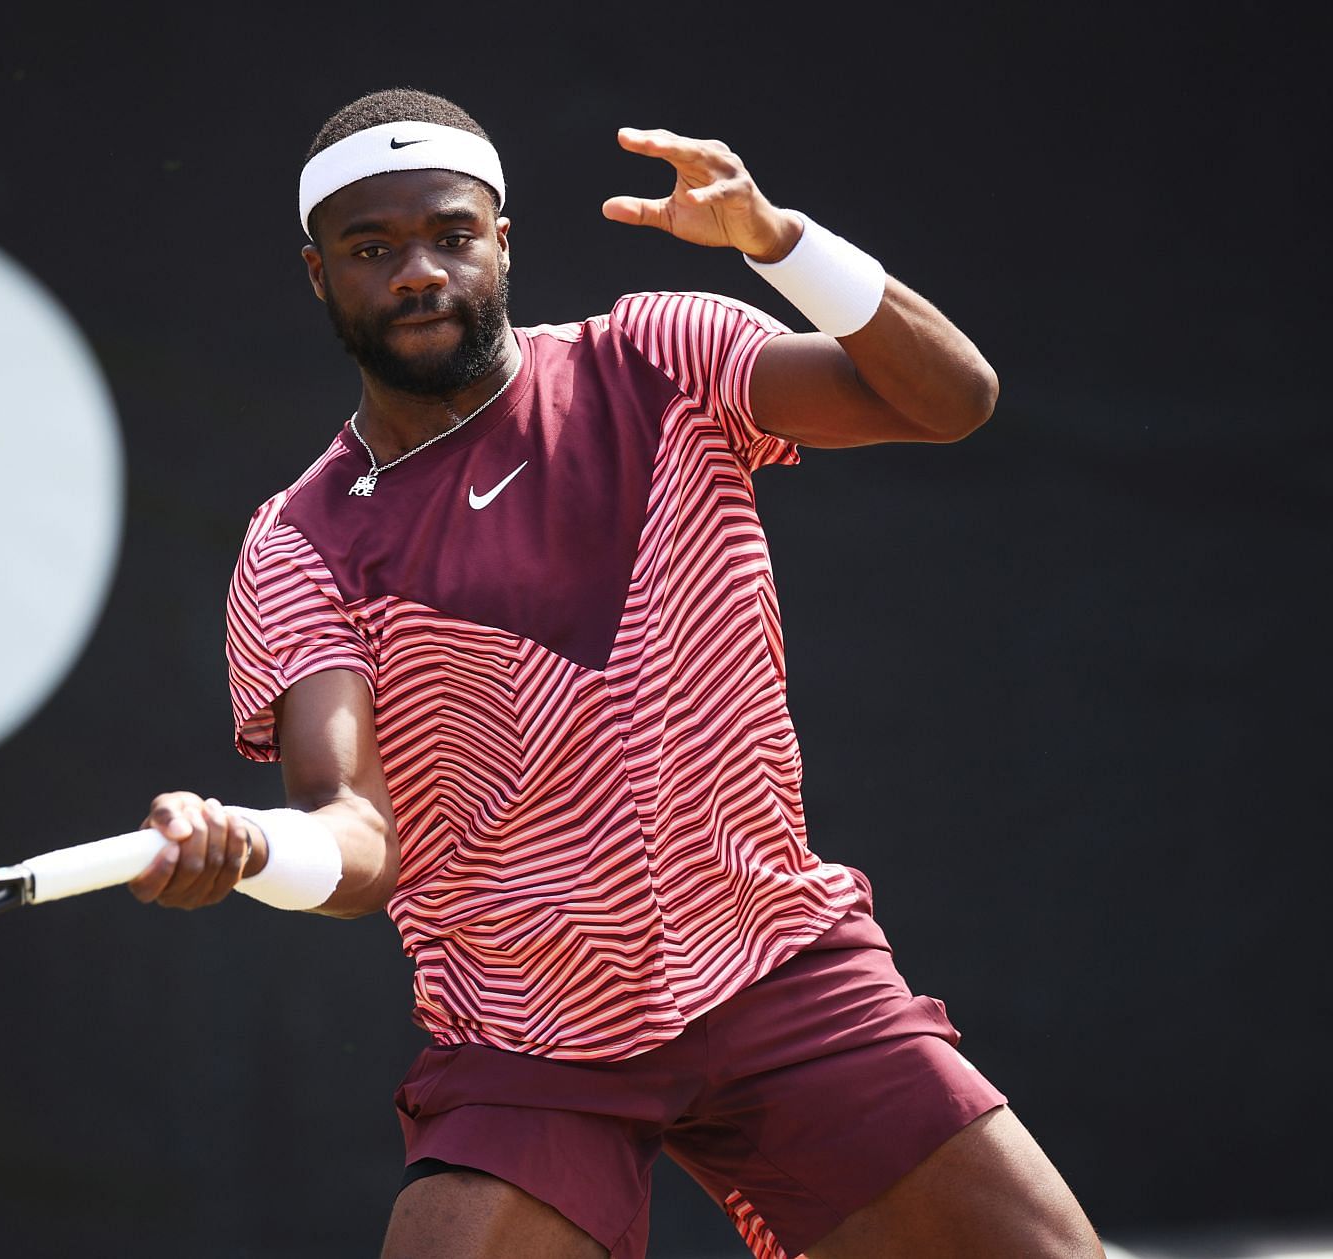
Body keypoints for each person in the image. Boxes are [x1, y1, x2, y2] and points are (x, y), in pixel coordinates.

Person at [128, 87, 1105, 1259]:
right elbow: (354, 839)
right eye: (372, 249)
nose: (419, 272)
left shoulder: (659, 356)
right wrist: (250, 851)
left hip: (772, 964)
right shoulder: (298, 542)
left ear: (503, 241)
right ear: (318, 274)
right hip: (530, 1038)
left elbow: (950, 399)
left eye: (450, 234)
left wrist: (780, 243)